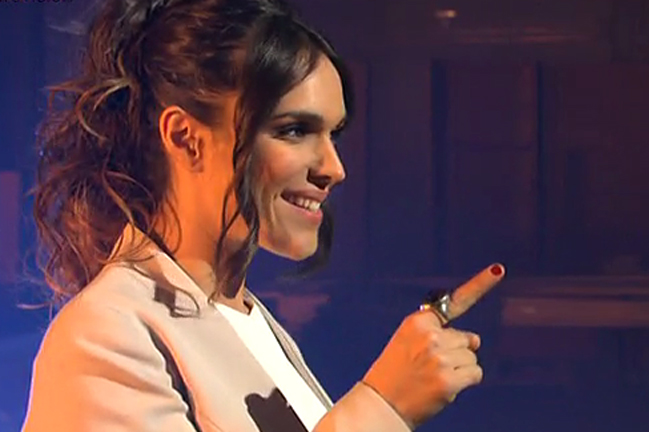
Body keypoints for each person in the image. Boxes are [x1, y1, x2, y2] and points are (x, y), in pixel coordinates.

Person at [22, 0, 506, 430]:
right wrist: (385, 407)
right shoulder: (108, 336)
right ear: (185, 138)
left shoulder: (250, 322)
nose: (334, 168)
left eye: (334, 134)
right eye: (294, 130)